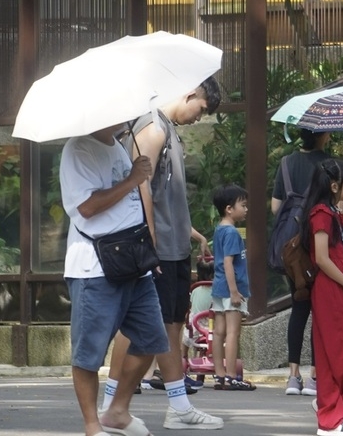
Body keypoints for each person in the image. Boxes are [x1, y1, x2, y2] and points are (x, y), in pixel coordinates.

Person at [103, 77, 223, 430]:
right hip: (155, 246)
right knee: (141, 325)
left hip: (172, 245)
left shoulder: (167, 128)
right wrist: (150, 242)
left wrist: (190, 233)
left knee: (169, 323)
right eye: (201, 109)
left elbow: (163, 193)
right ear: (190, 95)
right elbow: (139, 186)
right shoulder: (153, 128)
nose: (199, 117)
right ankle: (114, 404)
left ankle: (177, 406)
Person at [60, 122, 169, 436]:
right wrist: (133, 179)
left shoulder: (117, 145)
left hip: (134, 261)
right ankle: (92, 425)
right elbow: (87, 207)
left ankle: (118, 411)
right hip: (95, 266)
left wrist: (151, 247)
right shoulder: (78, 149)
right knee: (88, 354)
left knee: (152, 339)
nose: (127, 116)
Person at [301, 159, 343, 436]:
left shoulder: (332, 213)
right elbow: (322, 258)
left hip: (337, 287)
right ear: (333, 186)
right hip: (331, 290)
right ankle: (331, 415)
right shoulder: (321, 214)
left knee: (337, 356)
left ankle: (331, 413)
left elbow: (339, 255)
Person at [271, 128, 332, 396]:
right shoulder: (328, 165)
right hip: (315, 243)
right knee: (319, 310)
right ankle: (314, 377)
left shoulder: (286, 163)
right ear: (324, 135)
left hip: (291, 249)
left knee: (299, 306)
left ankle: (293, 376)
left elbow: (276, 207)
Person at [210, 183, 255, 390]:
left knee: (219, 332)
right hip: (231, 288)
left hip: (218, 287)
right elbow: (228, 262)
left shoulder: (220, 230)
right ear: (229, 208)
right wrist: (235, 291)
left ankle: (219, 375)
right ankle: (231, 376)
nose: (246, 209)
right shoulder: (233, 233)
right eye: (243, 205)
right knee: (232, 332)